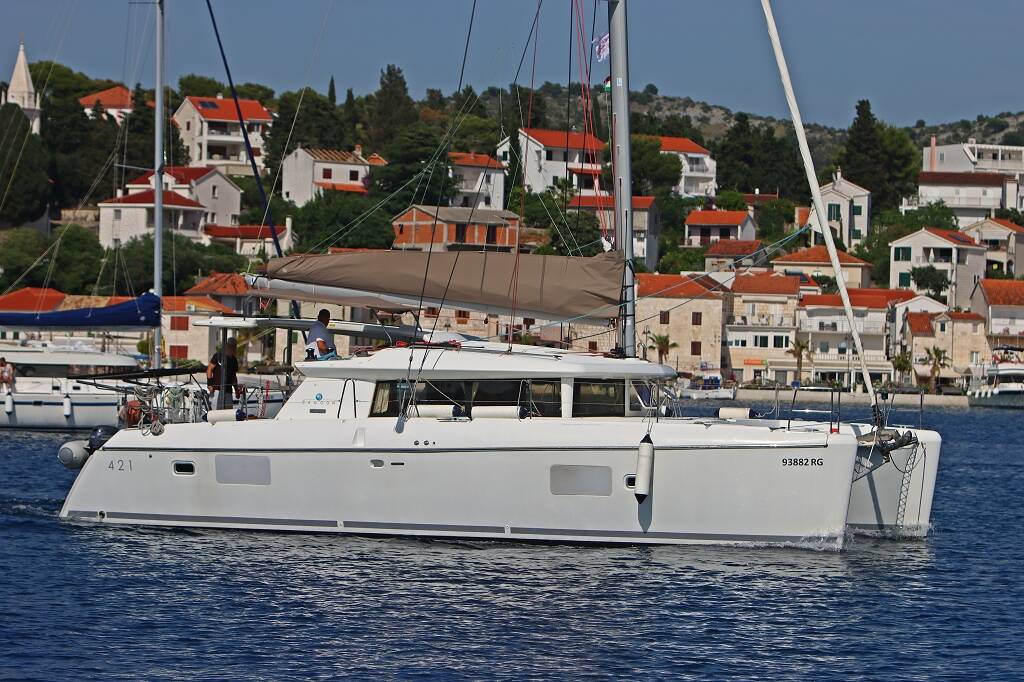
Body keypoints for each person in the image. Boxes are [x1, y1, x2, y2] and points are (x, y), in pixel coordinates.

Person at [207, 338, 241, 409]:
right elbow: (209, 369)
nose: (232, 348)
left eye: (234, 346)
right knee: (216, 411)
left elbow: (233, 376)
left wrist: (236, 390)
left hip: (228, 390)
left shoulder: (234, 360)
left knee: (228, 412)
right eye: (230, 346)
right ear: (227, 346)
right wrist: (209, 384)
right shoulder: (218, 355)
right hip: (217, 389)